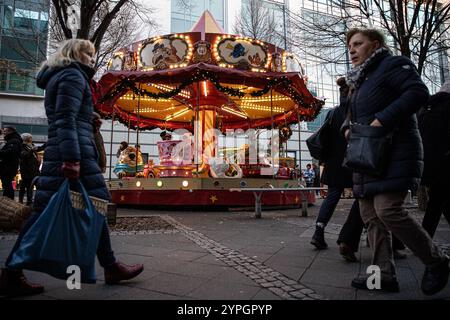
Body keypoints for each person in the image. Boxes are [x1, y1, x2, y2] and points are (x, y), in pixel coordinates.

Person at [0, 39, 143, 298]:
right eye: (88, 55)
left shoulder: (63, 76)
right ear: (77, 54)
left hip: (71, 150)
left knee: (95, 205)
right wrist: (72, 159)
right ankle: (11, 272)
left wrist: (89, 121)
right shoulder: (72, 76)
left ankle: (110, 265)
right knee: (50, 212)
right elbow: (65, 118)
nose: (91, 60)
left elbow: (66, 115)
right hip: (72, 154)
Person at [343, 28, 449, 294]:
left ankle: (436, 261)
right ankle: (382, 277)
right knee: (370, 217)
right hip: (365, 156)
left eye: (358, 44)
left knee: (388, 210)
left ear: (375, 44)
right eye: (350, 46)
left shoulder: (393, 64)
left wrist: (382, 120)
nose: (352, 49)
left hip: (394, 152)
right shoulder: (359, 80)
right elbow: (350, 113)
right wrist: (347, 128)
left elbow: (417, 92)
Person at [418, 81, 450, 238]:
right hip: (444, 163)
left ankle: (423, 238)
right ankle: (423, 240)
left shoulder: (426, 108)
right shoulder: (447, 108)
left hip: (427, 163)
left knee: (439, 200)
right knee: (437, 202)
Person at [0, 126, 22, 199]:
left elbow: (11, 152)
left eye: (5, 131)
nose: (4, 132)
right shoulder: (13, 140)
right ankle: (7, 200)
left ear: (10, 131)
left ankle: (8, 200)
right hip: (9, 166)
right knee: (6, 184)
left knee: (7, 185)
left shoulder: (14, 141)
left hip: (8, 167)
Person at [19, 133, 40, 205]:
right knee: (27, 186)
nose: (31, 139)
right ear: (26, 138)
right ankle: (27, 201)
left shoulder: (32, 145)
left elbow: (35, 156)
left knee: (36, 185)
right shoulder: (22, 146)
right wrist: (31, 151)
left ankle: (35, 200)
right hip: (26, 170)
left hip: (35, 170)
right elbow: (24, 155)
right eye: (30, 138)